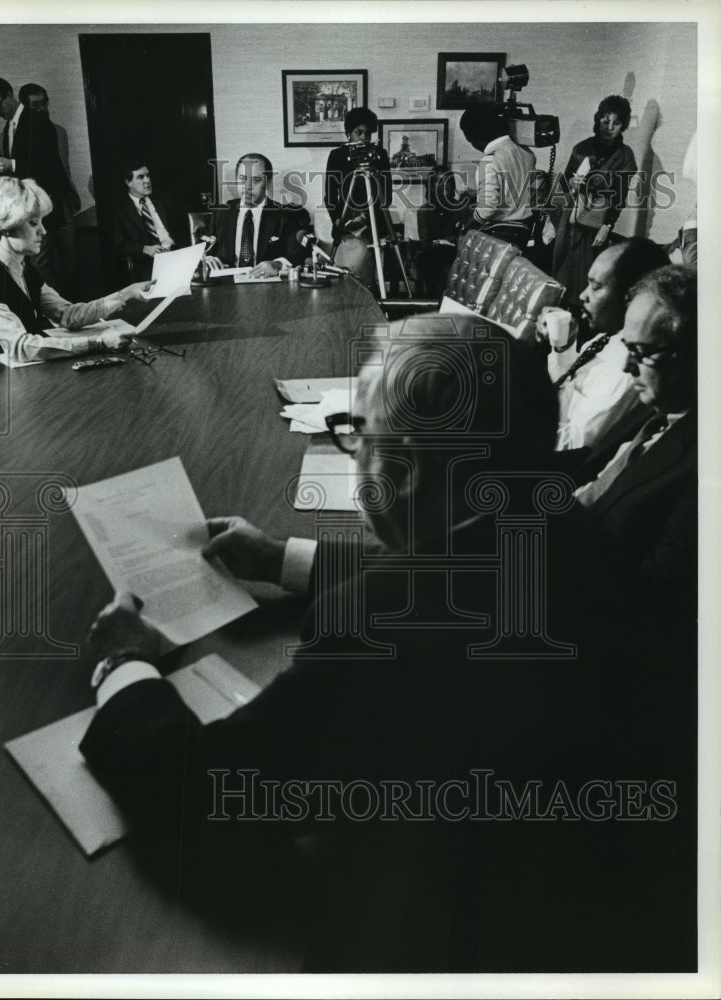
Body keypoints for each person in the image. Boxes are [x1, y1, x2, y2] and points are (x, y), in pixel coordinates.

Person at [78, 315, 693, 972]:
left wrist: (124, 663)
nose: (356, 453)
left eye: (359, 434)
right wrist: (282, 558)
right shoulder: (570, 530)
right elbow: (453, 572)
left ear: (406, 462)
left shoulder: (380, 627)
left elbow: (204, 792)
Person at [574, 265, 697, 618]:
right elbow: (587, 468)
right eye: (626, 348)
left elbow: (651, 591)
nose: (627, 368)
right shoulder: (657, 404)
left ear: (692, 353)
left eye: (640, 352)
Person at [0, 177, 151, 366]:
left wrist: (126, 294)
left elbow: (68, 315)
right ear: (5, 225)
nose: (43, 231)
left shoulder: (20, 264)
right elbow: (20, 347)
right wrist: (98, 343)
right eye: (34, 223)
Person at [538, 237, 669, 451]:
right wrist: (562, 346)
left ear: (631, 296)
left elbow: (570, 447)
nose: (583, 295)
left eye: (596, 287)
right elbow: (567, 388)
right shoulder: (610, 337)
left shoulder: (626, 369)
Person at [0, 76, 72, 292]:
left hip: (43, 205)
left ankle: (57, 311)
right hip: (27, 207)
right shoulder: (9, 128)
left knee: (42, 262)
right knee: (39, 263)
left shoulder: (37, 120)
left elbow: (46, 164)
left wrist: (11, 164)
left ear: (9, 95)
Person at [551, 95, 638, 308]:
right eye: (605, 121)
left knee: (587, 274)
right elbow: (563, 188)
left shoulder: (625, 156)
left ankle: (583, 319)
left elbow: (619, 196)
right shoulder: (581, 149)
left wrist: (607, 227)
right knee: (562, 271)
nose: (609, 127)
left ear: (623, 126)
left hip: (596, 222)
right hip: (570, 220)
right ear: (597, 120)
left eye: (616, 123)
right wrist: (572, 182)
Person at [18, 82, 81, 290]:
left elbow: (64, 167)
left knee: (71, 256)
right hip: (36, 208)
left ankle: (73, 298)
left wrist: (72, 193)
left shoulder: (58, 132)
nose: (42, 109)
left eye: (44, 103)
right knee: (42, 258)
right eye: (36, 105)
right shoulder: (17, 135)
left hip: (62, 201)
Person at [207, 153, 309, 277]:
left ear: (268, 182)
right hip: (226, 284)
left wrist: (276, 264)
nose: (247, 187)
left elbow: (297, 253)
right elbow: (204, 249)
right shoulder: (221, 213)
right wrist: (207, 258)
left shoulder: (284, 216)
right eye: (242, 179)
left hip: (267, 286)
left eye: (256, 180)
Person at [325, 108, 392, 285]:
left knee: (369, 270)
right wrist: (338, 220)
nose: (363, 137)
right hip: (345, 223)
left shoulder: (379, 155)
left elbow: (387, 195)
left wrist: (375, 174)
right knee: (345, 273)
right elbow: (330, 195)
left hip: (374, 223)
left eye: (367, 133)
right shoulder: (337, 156)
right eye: (358, 132)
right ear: (348, 134)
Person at [457, 104, 537, 250]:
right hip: (524, 231)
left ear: (476, 136)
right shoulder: (527, 153)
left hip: (499, 235)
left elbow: (487, 209)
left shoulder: (489, 160)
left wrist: (466, 226)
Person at [113, 157, 191, 281]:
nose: (147, 180)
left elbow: (185, 225)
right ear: (128, 182)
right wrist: (144, 249)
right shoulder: (121, 210)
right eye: (140, 177)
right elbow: (119, 245)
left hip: (177, 254)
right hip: (148, 262)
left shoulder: (164, 200)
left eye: (148, 175)